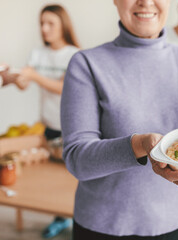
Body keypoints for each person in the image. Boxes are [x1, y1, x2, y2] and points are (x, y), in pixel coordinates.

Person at [61, 0, 178, 239]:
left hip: (177, 225)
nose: (145, 1)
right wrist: (140, 144)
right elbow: (77, 159)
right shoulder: (86, 64)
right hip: (104, 228)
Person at [16, 4, 80, 238]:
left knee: (69, 180)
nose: (44, 28)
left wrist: (33, 75)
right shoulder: (37, 53)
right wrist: (15, 78)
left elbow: (63, 87)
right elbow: (25, 84)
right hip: (47, 126)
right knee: (49, 180)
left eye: (50, 23)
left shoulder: (74, 54)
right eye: (42, 23)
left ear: (63, 25)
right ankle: (60, 219)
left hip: (70, 128)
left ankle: (73, 220)